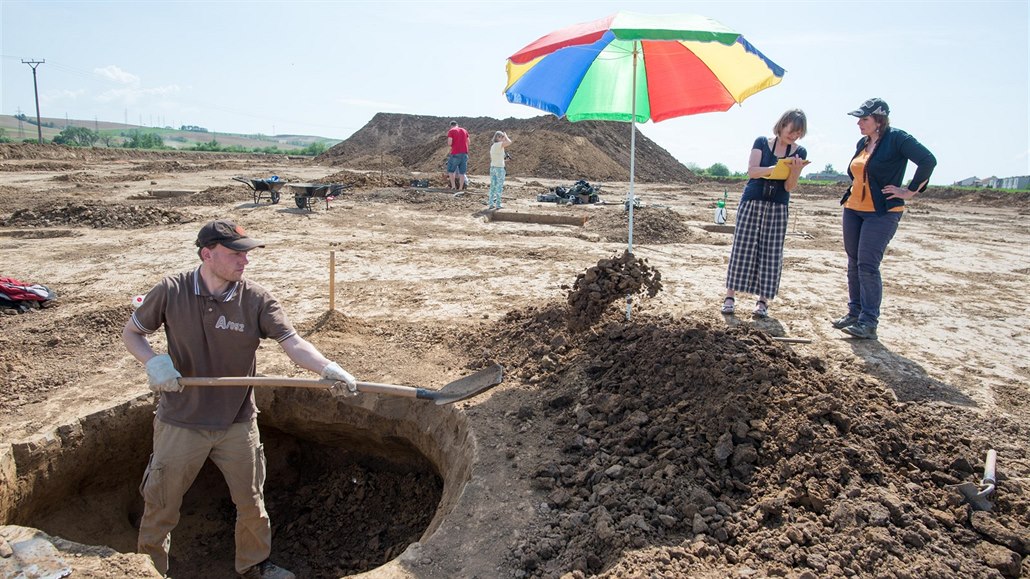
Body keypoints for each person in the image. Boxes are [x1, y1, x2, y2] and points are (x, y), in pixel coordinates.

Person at [122, 219, 359, 579]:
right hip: (180, 421)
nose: (244, 261)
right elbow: (134, 332)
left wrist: (327, 367)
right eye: (236, 254)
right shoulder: (172, 290)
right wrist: (153, 362)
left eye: (246, 254)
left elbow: (292, 343)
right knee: (161, 504)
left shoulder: (257, 299)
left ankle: (253, 566)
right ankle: (148, 570)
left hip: (237, 422)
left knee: (251, 503)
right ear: (207, 254)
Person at [832, 98, 936, 340]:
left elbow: (928, 160)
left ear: (879, 120)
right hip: (853, 209)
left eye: (864, 119)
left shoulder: (898, 139)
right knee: (853, 262)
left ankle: (868, 322)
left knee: (867, 264)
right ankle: (854, 313)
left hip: (881, 213)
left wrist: (909, 191)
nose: (859, 123)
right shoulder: (862, 142)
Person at [721, 109, 809, 318]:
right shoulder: (761, 142)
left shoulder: (800, 152)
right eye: (792, 130)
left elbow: (789, 187)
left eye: (798, 133)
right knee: (742, 247)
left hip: (778, 206)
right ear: (783, 123)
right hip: (752, 201)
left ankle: (762, 301)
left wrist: (794, 170)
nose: (794, 135)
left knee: (771, 252)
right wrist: (775, 169)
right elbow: (752, 171)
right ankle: (730, 296)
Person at [488, 130, 513, 210]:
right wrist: (506, 135)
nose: (503, 139)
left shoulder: (493, 146)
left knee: (493, 186)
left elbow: (496, 159)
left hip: (493, 168)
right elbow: (509, 142)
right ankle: (498, 204)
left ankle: (491, 203)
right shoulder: (499, 145)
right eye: (502, 137)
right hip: (499, 169)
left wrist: (505, 161)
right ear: (498, 137)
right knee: (499, 186)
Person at [446, 120, 470, 192]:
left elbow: (450, 143)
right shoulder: (464, 130)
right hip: (464, 153)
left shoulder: (451, 131)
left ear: (451, 125)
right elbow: (469, 142)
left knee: (451, 170)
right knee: (462, 172)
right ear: (457, 124)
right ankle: (460, 188)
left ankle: (453, 187)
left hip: (455, 152)